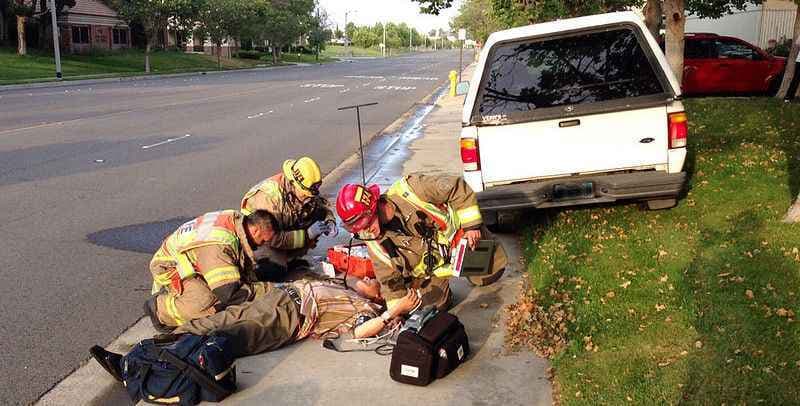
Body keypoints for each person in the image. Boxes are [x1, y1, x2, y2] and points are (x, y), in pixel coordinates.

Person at [90, 278, 421, 380]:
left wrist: (397, 309)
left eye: (378, 285)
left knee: (217, 340)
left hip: (286, 320)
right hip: (278, 298)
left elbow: (362, 334)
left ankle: (134, 368)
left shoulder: (368, 311)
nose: (371, 280)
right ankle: (146, 349)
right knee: (209, 323)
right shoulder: (353, 290)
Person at [335, 174, 507, 313]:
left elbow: (456, 186)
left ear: (374, 208)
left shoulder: (412, 189)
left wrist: (472, 226)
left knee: (490, 275)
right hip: (433, 273)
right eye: (360, 229)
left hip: (462, 240)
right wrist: (396, 312)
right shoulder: (375, 243)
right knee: (432, 310)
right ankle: (443, 292)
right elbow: (390, 282)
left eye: (367, 224)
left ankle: (483, 240)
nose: (367, 231)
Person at [145, 209, 278, 332]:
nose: (263, 244)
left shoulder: (237, 222)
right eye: (264, 240)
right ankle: (159, 310)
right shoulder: (218, 246)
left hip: (195, 259)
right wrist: (271, 289)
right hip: (170, 268)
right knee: (208, 301)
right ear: (255, 230)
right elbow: (228, 293)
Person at [241, 156, 337, 277]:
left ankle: (289, 259)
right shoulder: (270, 198)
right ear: (293, 183)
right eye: (306, 194)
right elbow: (273, 238)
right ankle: (257, 268)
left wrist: (330, 221)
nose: (309, 197)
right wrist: (307, 235)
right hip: (259, 241)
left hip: (279, 229)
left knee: (316, 215)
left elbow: (321, 206)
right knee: (274, 269)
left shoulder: (303, 189)